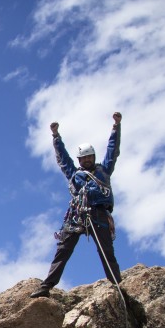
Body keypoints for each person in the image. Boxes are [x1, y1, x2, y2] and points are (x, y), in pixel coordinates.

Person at [30, 112, 123, 298]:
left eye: (90, 157)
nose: (87, 160)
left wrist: (116, 127)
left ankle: (118, 285)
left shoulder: (103, 171)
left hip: (98, 212)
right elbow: (63, 159)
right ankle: (46, 286)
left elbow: (113, 150)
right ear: (79, 160)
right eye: (84, 158)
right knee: (63, 250)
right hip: (77, 215)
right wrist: (56, 136)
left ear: (93, 157)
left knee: (106, 251)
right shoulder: (75, 174)